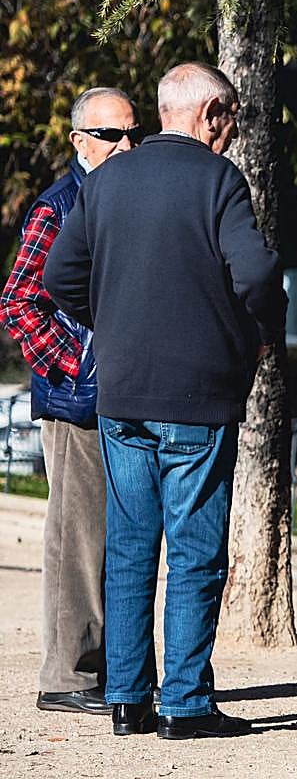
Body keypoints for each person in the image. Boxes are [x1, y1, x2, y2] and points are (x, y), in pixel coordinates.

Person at [44, 62, 286, 740]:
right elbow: (259, 271)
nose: (235, 129)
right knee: (195, 550)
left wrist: (112, 320)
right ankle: (185, 703)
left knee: (127, 547)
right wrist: (259, 333)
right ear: (210, 112)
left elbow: (60, 274)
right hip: (198, 395)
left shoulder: (108, 179)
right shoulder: (219, 180)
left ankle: (125, 699)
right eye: (232, 115)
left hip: (120, 393)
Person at [0, 87, 141, 716]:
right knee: (78, 539)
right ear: (80, 141)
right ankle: (70, 678)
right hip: (76, 402)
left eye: (132, 132)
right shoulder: (60, 206)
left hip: (118, 394)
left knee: (108, 538)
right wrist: (81, 367)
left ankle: (108, 672)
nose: (126, 145)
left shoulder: (126, 193)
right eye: (111, 135)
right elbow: (18, 302)